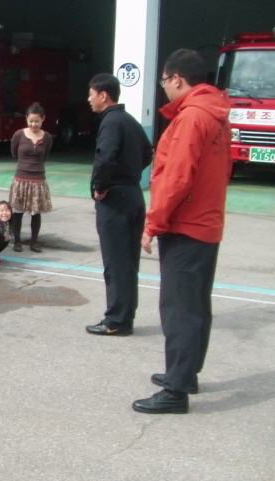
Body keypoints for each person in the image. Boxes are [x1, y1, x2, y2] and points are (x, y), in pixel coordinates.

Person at [132, 49, 232, 415]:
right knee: (196, 306)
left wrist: (153, 224)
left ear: (177, 78)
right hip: (206, 222)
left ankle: (176, 390)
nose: (164, 88)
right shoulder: (216, 115)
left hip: (186, 226)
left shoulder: (191, 117)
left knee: (179, 310)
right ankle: (186, 374)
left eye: (164, 81)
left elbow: (175, 178)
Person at [84, 73, 154, 338]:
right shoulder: (129, 120)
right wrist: (130, 173)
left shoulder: (111, 122)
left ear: (103, 95)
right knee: (128, 262)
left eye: (91, 94)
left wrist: (100, 186)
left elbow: (104, 157)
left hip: (116, 199)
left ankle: (116, 320)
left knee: (115, 262)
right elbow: (148, 152)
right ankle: (125, 317)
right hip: (133, 195)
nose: (88, 99)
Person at [9, 103, 53, 253]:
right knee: (18, 211)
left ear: (43, 119)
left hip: (38, 180)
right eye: (31, 121)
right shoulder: (19, 135)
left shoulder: (47, 137)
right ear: (26, 118)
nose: (34, 124)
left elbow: (45, 156)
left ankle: (34, 242)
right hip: (21, 178)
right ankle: (17, 241)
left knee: (36, 212)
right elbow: (14, 153)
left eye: (37, 121)